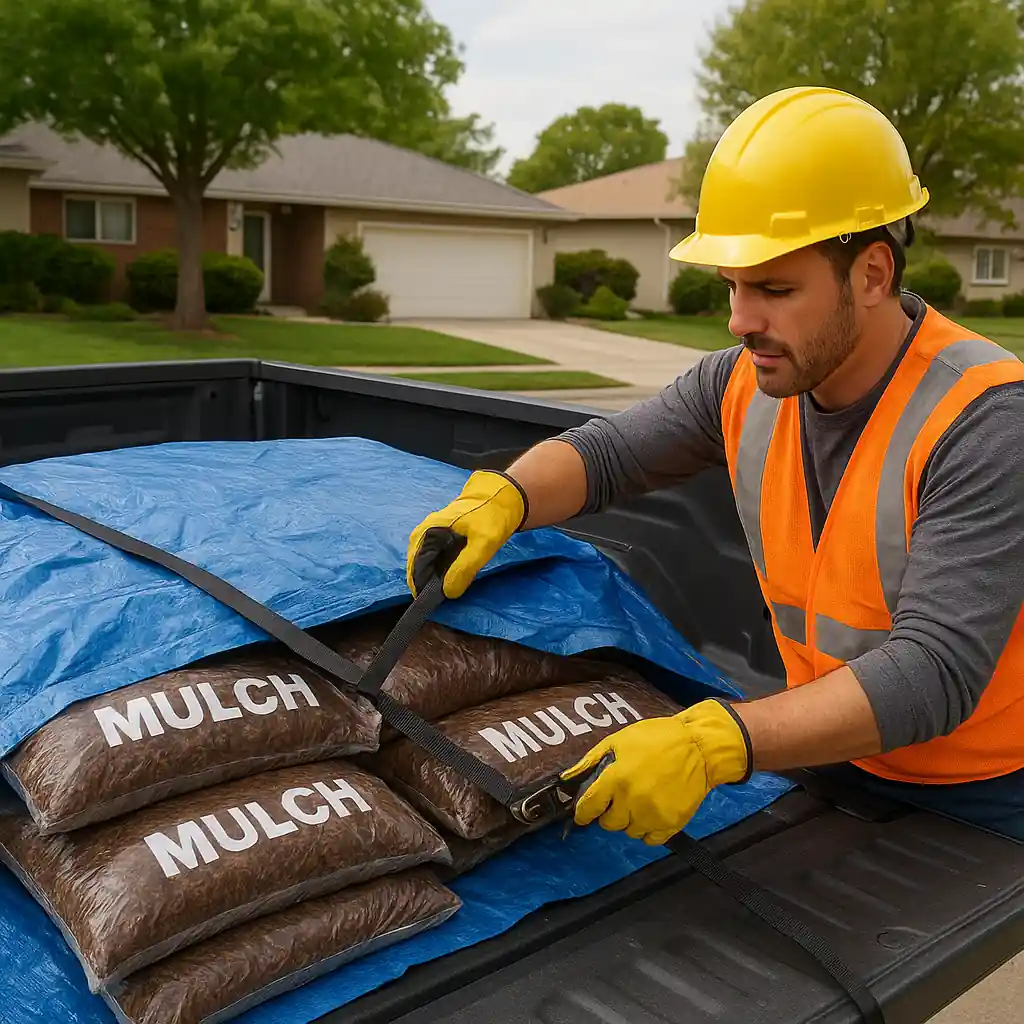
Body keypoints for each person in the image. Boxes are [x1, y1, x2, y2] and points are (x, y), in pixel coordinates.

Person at [406, 86, 1024, 844]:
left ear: (871, 274)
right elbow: (606, 455)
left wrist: (714, 742)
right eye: (732, 286)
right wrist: (504, 497)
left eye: (774, 288)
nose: (739, 321)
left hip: (986, 791)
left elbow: (936, 671)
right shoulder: (742, 382)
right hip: (828, 747)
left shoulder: (985, 418)